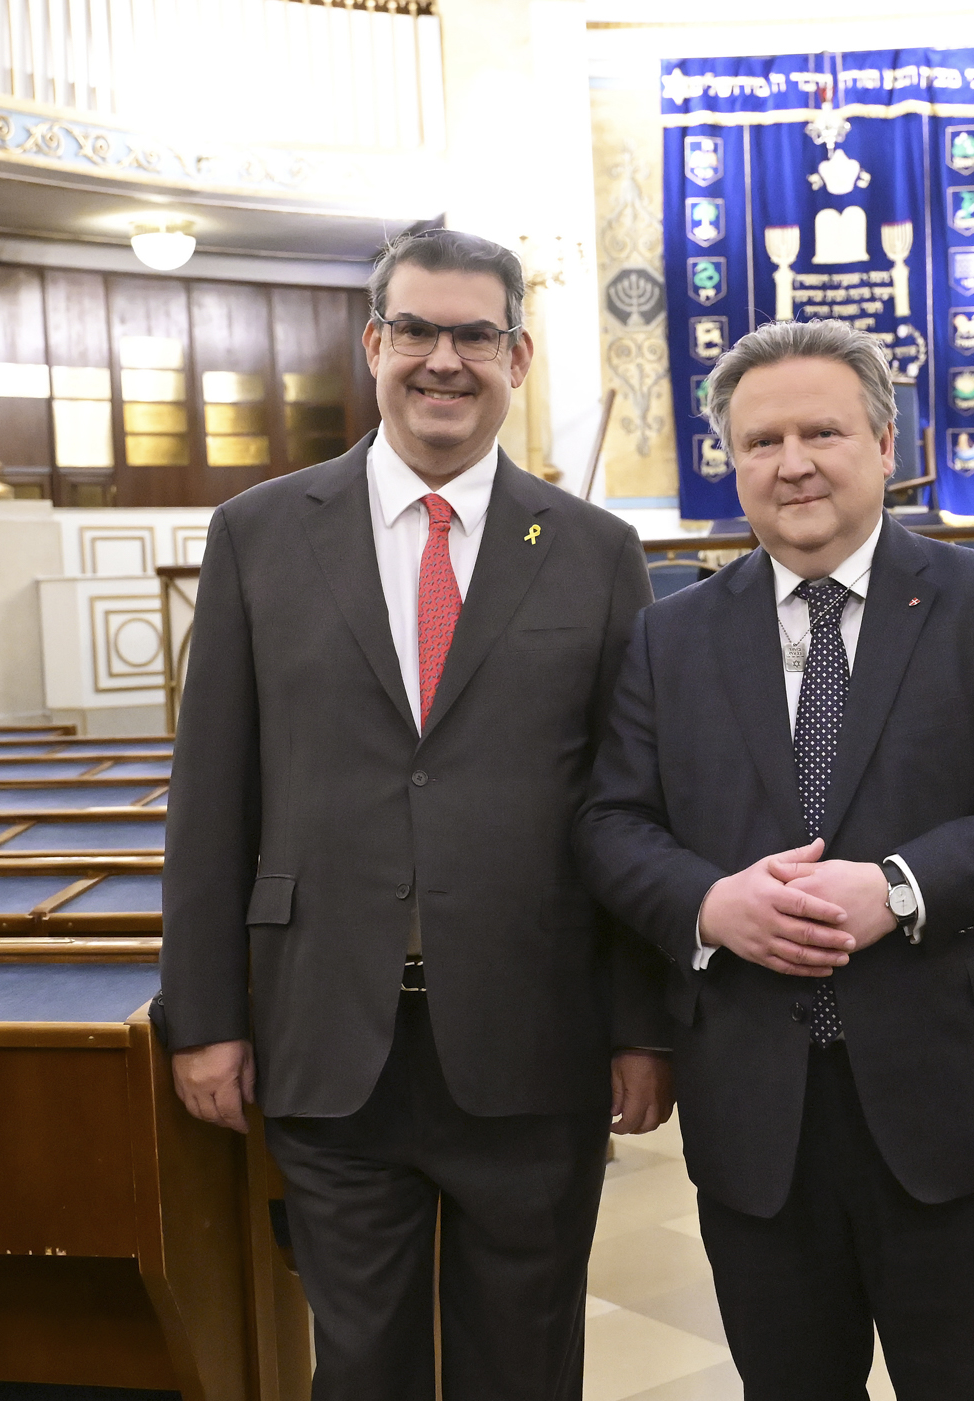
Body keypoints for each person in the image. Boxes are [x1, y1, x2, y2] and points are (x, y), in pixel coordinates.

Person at [159, 226, 672, 1401]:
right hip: (326, 1031)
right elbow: (212, 798)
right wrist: (203, 1017)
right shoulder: (259, 534)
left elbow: (632, 804)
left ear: (518, 356)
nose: (445, 360)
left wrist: (644, 1026)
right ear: (374, 345)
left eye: (475, 336)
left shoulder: (592, 552)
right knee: (361, 1364)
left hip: (533, 1038)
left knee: (525, 1361)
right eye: (419, 333)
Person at [577, 318, 974, 1399]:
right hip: (754, 1111)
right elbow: (609, 826)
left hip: (953, 1099)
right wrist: (711, 903)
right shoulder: (668, 637)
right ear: (732, 463)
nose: (792, 463)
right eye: (760, 441)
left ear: (881, 442)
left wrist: (897, 890)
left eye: (820, 431)